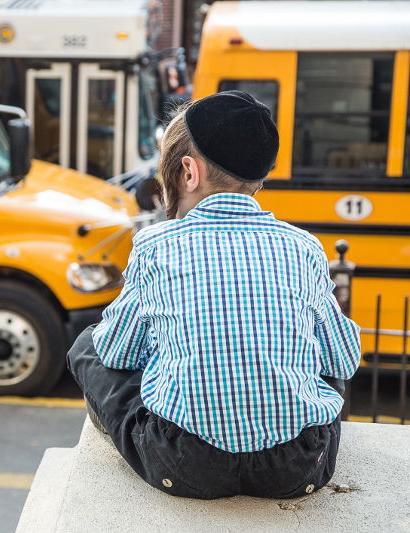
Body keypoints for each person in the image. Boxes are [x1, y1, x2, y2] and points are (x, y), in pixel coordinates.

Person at [67, 90, 361, 500]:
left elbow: (117, 356)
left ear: (188, 173)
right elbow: (343, 360)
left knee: (88, 345)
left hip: (186, 465)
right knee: (324, 349)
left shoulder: (156, 245)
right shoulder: (304, 247)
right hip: (298, 467)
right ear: (259, 177)